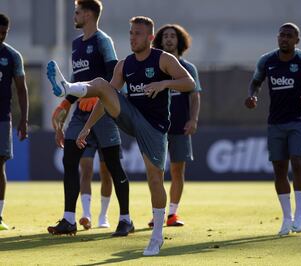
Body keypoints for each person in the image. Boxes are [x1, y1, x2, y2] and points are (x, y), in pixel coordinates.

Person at [47, 16, 195, 255]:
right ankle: (68, 88)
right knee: (102, 84)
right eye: (130, 33)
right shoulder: (124, 65)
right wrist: (87, 127)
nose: (132, 38)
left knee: (154, 179)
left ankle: (157, 236)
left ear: (149, 38)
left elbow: (188, 83)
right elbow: (105, 98)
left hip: (154, 128)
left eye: (137, 34)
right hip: (130, 115)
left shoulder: (163, 59)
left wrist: (164, 84)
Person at [47, 0, 134, 237]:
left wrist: (98, 98)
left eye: (76, 12)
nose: (74, 16)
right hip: (80, 112)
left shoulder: (103, 41)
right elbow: (78, 81)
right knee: (69, 160)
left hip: (104, 112)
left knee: (114, 165)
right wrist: (66, 103)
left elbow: (114, 74)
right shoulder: (76, 45)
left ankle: (126, 219)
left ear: (87, 14)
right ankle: (68, 219)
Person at [244, 23, 301, 236]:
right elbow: (255, 82)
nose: (284, 39)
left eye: (289, 36)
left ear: (296, 40)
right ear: (277, 38)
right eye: (282, 35)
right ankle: (286, 218)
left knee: (298, 163)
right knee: (279, 170)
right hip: (275, 122)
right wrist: (253, 95)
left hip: (299, 121)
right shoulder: (267, 61)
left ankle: (299, 214)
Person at [149, 24, 202, 227]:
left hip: (180, 127)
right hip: (158, 128)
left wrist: (193, 119)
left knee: (177, 170)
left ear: (180, 41)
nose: (169, 39)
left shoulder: (188, 68)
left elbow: (195, 96)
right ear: (160, 41)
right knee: (156, 172)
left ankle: (172, 214)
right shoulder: (155, 66)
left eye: (173, 36)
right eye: (166, 36)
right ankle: (157, 214)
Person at [0, 13, 29, 231]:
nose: (1, 37)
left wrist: (24, 120)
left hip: (2, 118)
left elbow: (21, 89)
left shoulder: (12, 56)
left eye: (4, 33)